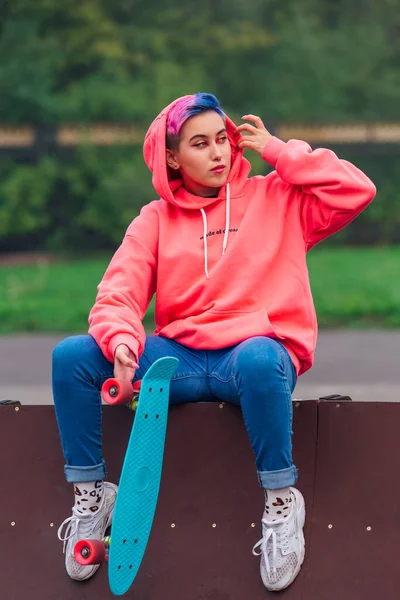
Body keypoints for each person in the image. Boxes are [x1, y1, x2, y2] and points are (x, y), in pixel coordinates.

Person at [53, 93, 376, 591]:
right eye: (200, 144)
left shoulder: (279, 198)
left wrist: (281, 151)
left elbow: (356, 190)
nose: (218, 153)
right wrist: (120, 342)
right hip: (177, 362)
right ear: (172, 159)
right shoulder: (155, 219)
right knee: (72, 356)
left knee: (261, 356)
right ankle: (94, 496)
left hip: (251, 358)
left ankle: (281, 502)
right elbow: (117, 292)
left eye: (222, 139)